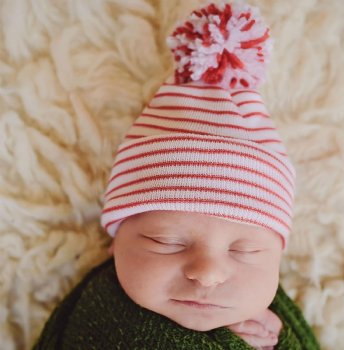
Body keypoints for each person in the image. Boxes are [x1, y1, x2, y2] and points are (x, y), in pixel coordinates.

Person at [33, 1, 320, 349]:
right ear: (115, 244)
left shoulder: (273, 321)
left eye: (247, 251)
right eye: (167, 242)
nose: (208, 272)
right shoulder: (101, 314)